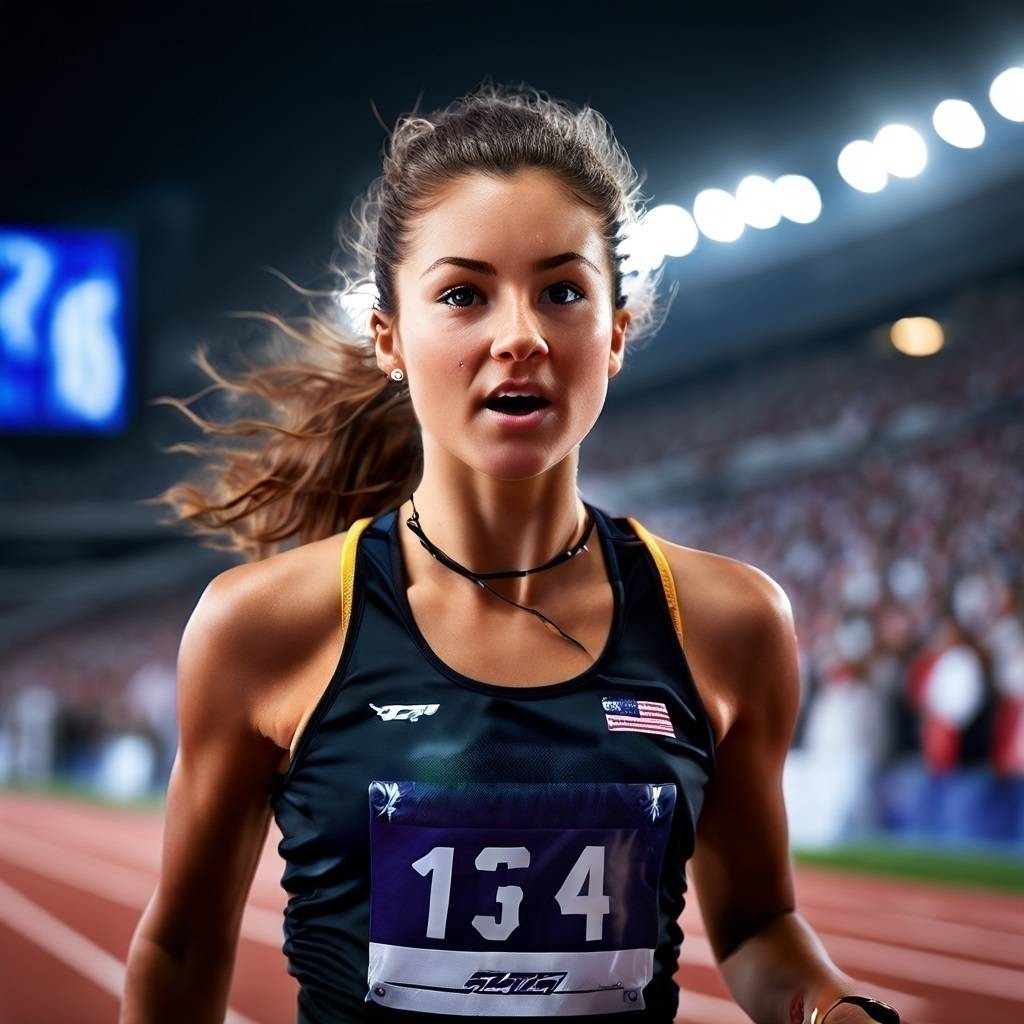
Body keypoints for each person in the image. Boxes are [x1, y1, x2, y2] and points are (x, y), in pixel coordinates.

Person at [121, 81, 900, 1024]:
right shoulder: (262, 627)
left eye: (563, 291)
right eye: (463, 294)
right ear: (389, 338)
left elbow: (756, 929)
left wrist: (828, 1006)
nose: (521, 336)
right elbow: (182, 949)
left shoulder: (730, 624)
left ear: (614, 333)